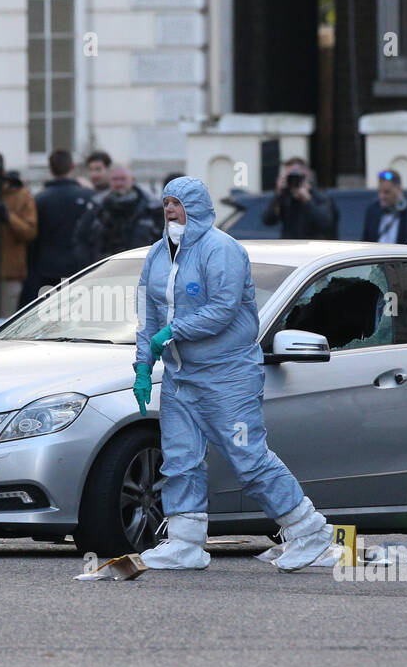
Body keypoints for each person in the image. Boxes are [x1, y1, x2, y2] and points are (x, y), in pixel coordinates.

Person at [132, 176, 341, 572]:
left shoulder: (222, 250)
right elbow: (147, 313)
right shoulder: (158, 255)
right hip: (181, 377)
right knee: (180, 460)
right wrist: (143, 364)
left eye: (177, 203)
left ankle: (308, 531)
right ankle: (185, 542)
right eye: (166, 204)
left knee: (248, 458)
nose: (170, 210)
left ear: (197, 207)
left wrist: (172, 332)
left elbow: (223, 309)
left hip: (227, 377)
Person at [20, 149, 96, 305]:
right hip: (81, 269)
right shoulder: (89, 196)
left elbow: (33, 237)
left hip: (47, 270)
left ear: (50, 168)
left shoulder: (39, 199)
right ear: (72, 166)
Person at [0, 151, 37, 319]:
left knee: (6, 323)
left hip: (11, 273)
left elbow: (30, 232)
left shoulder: (20, 194)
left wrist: (8, 217)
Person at [71, 165, 162, 267]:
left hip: (140, 270)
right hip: (103, 271)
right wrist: (90, 264)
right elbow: (81, 237)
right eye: (115, 179)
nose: (119, 183)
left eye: (123, 179)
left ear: (132, 180)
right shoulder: (97, 208)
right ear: (110, 181)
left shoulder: (151, 208)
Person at [260, 158, 339, 239]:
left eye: (296, 176)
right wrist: (278, 193)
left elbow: (326, 224)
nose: (293, 180)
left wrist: (307, 199)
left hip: (316, 248)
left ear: (307, 175)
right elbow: (267, 220)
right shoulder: (285, 197)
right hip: (291, 248)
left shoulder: (321, 197)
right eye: (289, 177)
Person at [362, 170, 407, 244]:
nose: (381, 196)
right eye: (380, 192)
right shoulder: (373, 209)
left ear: (398, 189)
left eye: (387, 192)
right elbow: (365, 240)